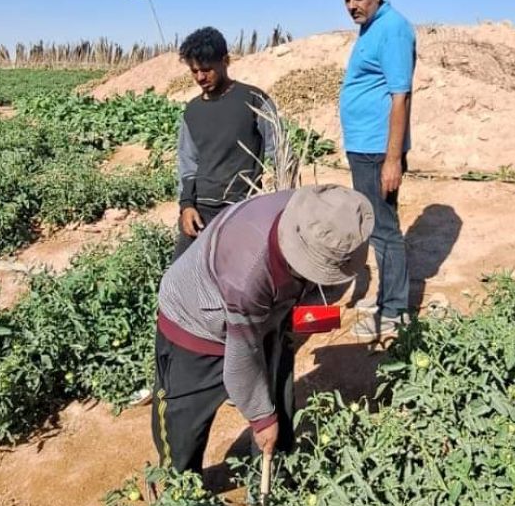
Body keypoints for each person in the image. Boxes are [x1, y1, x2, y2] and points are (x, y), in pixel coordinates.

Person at [152, 184, 374, 476]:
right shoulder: (246, 275)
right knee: (184, 422)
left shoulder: (314, 214)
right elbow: (241, 360)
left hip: (266, 311)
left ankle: (274, 480)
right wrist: (260, 418)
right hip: (195, 322)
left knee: (276, 395)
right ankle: (176, 492)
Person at [339, 0, 416, 344]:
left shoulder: (393, 28)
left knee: (384, 230)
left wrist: (392, 159)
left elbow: (400, 96)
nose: (353, 5)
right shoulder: (371, 28)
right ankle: (388, 299)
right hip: (363, 147)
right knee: (375, 226)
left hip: (376, 149)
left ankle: (395, 311)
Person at [173, 26, 278, 261]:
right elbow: (188, 163)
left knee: (236, 281)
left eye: (207, 70)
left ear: (225, 61)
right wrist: (187, 206)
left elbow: (279, 152)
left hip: (241, 209)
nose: (200, 77)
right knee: (177, 280)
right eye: (194, 71)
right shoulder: (192, 111)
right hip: (201, 211)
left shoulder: (255, 100)